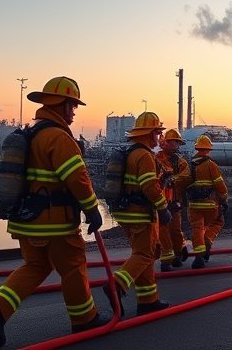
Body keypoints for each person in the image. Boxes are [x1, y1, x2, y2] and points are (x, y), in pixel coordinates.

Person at [0, 76, 108, 348]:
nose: (73, 113)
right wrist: (93, 208)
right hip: (55, 224)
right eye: (72, 106)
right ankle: (85, 319)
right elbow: (77, 178)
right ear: (60, 105)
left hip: (25, 221)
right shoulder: (58, 137)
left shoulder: (32, 134)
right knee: (73, 267)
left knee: (35, 266)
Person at [105, 111, 172, 316]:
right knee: (145, 254)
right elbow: (149, 186)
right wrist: (163, 207)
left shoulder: (131, 153)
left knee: (143, 254)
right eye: (157, 133)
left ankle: (148, 301)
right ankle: (117, 285)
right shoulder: (144, 155)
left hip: (126, 213)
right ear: (150, 134)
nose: (159, 138)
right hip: (140, 214)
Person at [183, 135, 228, 269]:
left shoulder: (189, 165)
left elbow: (183, 184)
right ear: (208, 150)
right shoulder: (211, 165)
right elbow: (220, 185)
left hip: (193, 205)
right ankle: (207, 240)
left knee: (197, 228)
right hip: (210, 204)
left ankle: (199, 257)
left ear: (196, 148)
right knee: (218, 222)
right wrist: (224, 198)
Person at [155, 129, 191, 271]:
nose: (176, 145)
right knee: (163, 230)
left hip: (175, 200)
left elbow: (186, 176)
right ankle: (166, 259)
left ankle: (177, 254)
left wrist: (173, 179)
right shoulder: (156, 159)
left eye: (177, 142)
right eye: (174, 142)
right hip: (160, 200)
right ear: (166, 142)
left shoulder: (180, 162)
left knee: (175, 229)